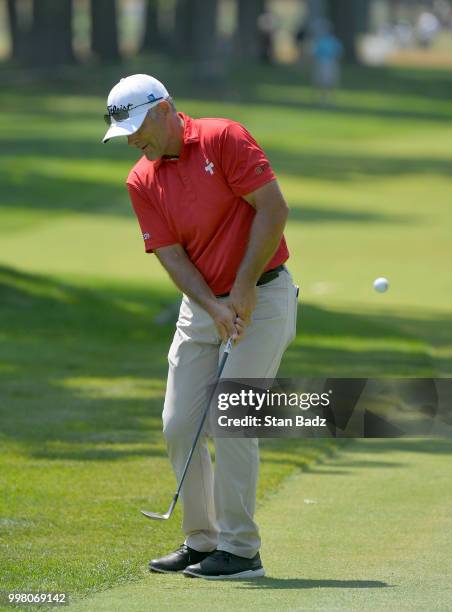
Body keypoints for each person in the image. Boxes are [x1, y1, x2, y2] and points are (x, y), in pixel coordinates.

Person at [102, 74, 298, 580]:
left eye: (137, 126)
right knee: (179, 423)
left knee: (232, 417)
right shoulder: (141, 179)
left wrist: (244, 288)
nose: (132, 139)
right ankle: (201, 540)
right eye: (124, 131)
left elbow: (273, 209)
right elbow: (169, 253)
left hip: (264, 295)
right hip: (204, 306)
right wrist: (213, 305)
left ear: (165, 108)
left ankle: (240, 550)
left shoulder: (223, 137)